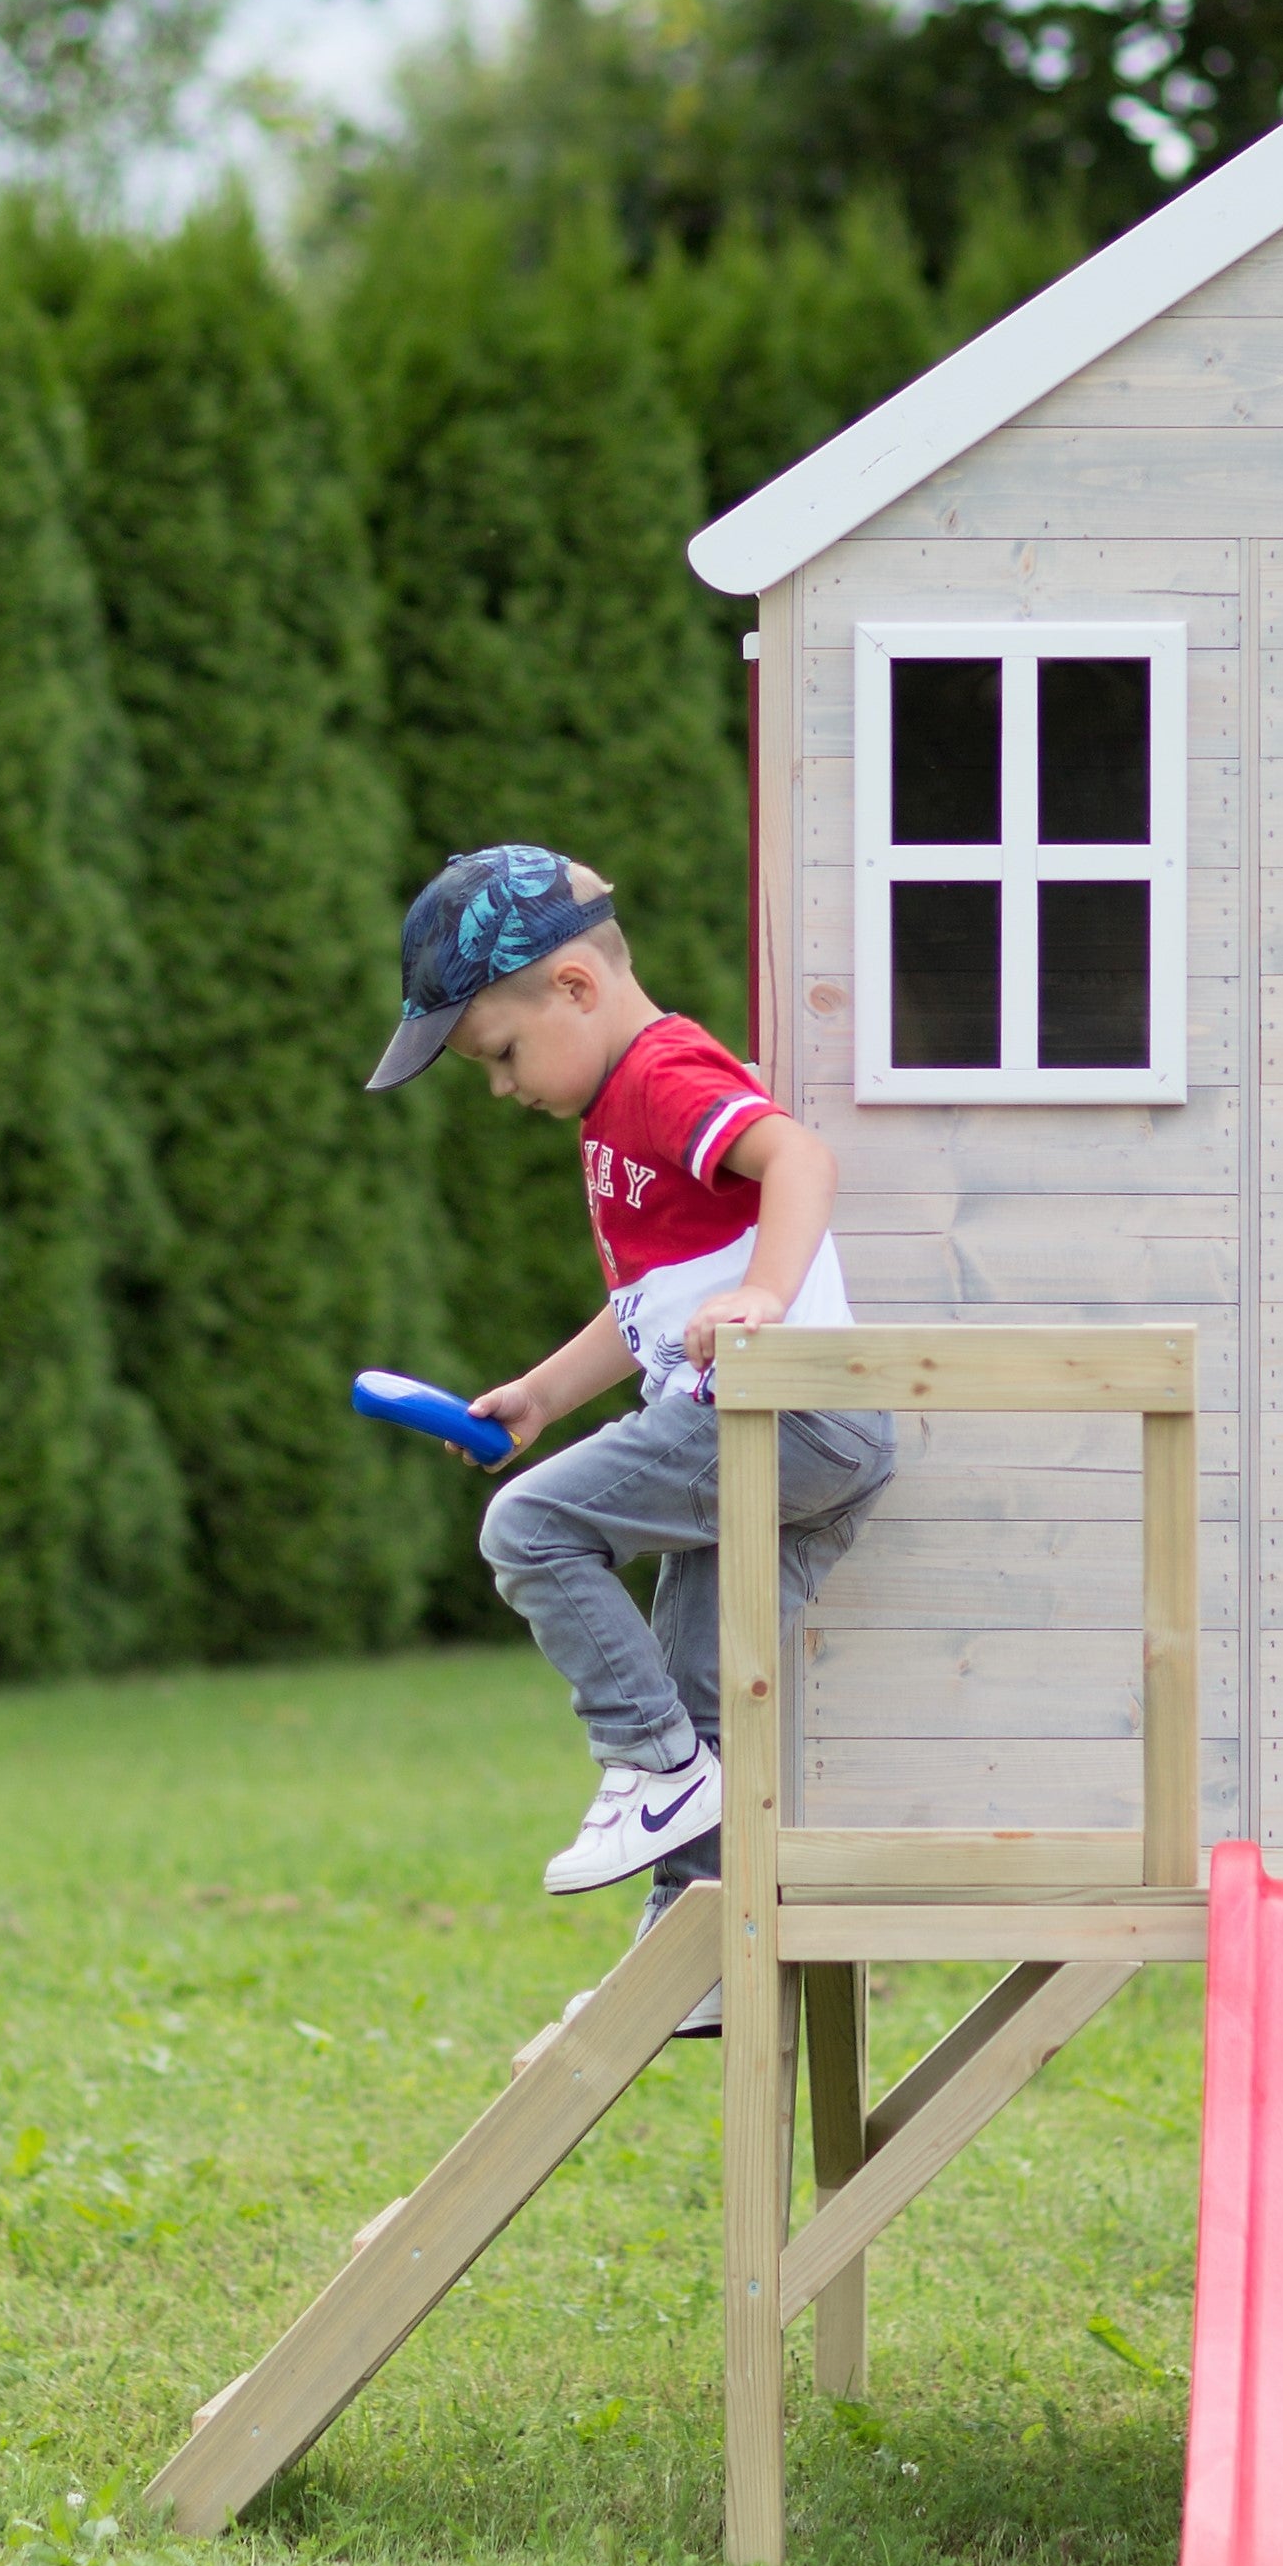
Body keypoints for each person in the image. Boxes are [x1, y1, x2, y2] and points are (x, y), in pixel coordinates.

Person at [367, 844, 890, 2019]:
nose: (501, 1088)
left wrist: (764, 1293)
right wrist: (545, 1394)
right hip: (793, 1434)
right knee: (705, 1685)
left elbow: (796, 1154)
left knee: (531, 1527)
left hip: (788, 1413)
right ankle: (695, 1953)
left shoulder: (657, 1073)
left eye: (499, 1056)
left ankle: (648, 1774)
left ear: (574, 987)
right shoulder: (620, 1106)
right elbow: (643, 1305)